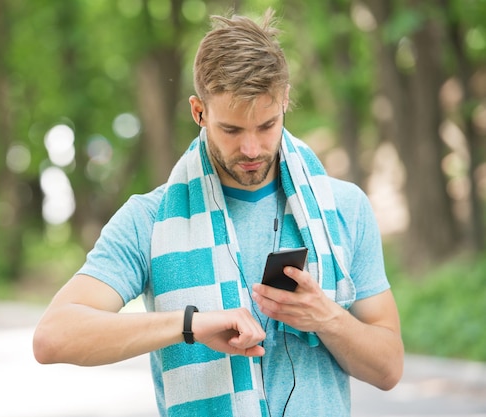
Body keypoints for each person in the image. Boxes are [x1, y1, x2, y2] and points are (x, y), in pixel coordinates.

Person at [33, 8, 403, 417]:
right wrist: (191, 325)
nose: (251, 149)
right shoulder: (148, 219)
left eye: (266, 126)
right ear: (199, 112)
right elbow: (53, 336)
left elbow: (388, 368)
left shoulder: (345, 208)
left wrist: (328, 318)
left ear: (284, 101)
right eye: (231, 130)